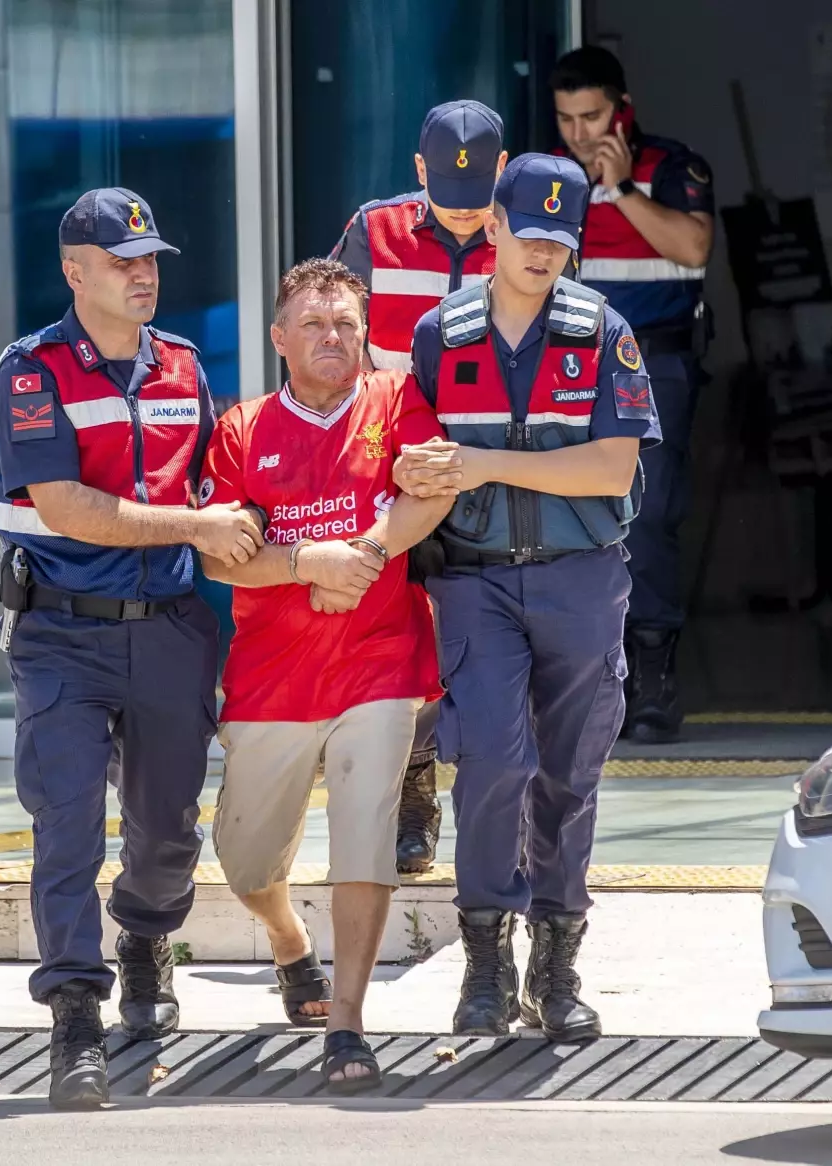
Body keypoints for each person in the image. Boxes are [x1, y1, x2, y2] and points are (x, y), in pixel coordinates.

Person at [0, 187, 264, 1110]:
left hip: (172, 632)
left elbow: (228, 488)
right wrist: (197, 522)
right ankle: (75, 1014)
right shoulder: (31, 373)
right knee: (66, 827)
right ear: (76, 272)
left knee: (166, 832)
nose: (143, 275)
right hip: (61, 633)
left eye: (150, 260)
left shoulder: (184, 366)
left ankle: (145, 936)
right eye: (122, 262)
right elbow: (67, 509)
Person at [395, 154, 661, 1041]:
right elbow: (416, 456)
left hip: (579, 579)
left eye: (560, 238)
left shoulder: (602, 331)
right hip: (474, 582)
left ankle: (557, 966)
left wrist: (490, 463)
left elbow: (613, 465)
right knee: (493, 768)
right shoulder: (441, 333)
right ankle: (484, 964)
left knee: (567, 776)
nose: (544, 252)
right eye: (530, 234)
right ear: (495, 228)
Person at [199, 258, 453, 1093]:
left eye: (346, 322)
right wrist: (310, 562)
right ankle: (285, 940)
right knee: (242, 861)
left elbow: (432, 491)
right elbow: (226, 558)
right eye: (313, 323)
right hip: (271, 677)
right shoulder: (240, 429)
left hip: (379, 663)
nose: (332, 336)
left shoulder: (396, 398)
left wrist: (373, 552)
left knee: (365, 831)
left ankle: (347, 1025)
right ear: (280, 339)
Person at [330, 99, 506, 874]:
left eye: (478, 206)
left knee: (489, 635)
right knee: (403, 633)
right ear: (417, 173)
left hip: (498, 473)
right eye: (446, 202)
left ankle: (499, 811)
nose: (465, 221)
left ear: (502, 173)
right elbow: (333, 342)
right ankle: (413, 788)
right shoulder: (373, 233)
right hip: (393, 467)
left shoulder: (524, 233)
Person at [551, 45, 715, 743]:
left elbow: (694, 248)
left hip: (653, 365)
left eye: (592, 116)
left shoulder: (673, 167)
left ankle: (653, 678)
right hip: (565, 370)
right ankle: (587, 678)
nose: (581, 134)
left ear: (624, 110)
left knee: (645, 521)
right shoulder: (550, 180)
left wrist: (621, 192)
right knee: (566, 518)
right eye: (566, 120)